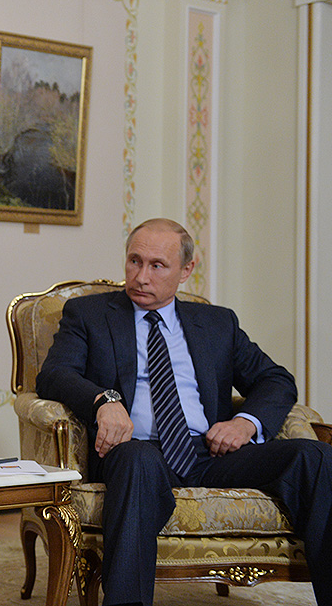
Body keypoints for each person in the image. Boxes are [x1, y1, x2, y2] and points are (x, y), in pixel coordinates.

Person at [36, 218, 332, 606]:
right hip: (136, 451)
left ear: (186, 270)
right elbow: (54, 375)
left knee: (316, 457)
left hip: (210, 452)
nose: (141, 276)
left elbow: (275, 379)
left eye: (157, 265)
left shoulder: (217, 322)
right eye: (134, 261)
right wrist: (104, 400)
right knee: (138, 460)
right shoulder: (89, 314)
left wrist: (245, 423)